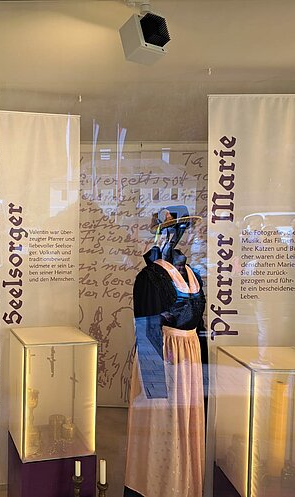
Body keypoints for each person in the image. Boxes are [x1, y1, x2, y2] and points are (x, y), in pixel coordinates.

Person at [124, 206, 206, 497]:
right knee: (163, 424)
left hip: (189, 358)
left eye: (184, 228)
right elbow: (147, 331)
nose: (180, 234)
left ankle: (184, 485)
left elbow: (199, 326)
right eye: (174, 228)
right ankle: (157, 486)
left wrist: (203, 371)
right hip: (165, 358)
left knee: (186, 423)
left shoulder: (193, 274)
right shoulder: (151, 277)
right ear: (163, 233)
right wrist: (155, 390)